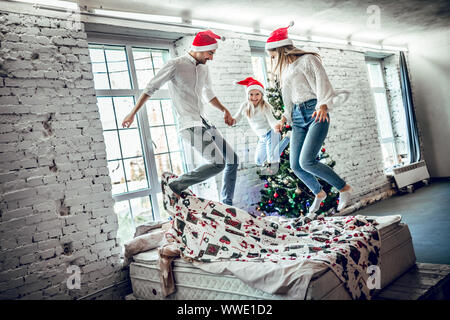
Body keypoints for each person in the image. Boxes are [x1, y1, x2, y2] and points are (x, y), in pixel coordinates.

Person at [122, 30, 239, 206]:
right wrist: (132, 113)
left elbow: (209, 94)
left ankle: (227, 203)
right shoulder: (175, 65)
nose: (211, 58)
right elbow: (150, 88)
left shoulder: (204, 69)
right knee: (218, 163)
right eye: (210, 53)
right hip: (189, 123)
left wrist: (224, 110)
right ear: (200, 48)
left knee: (233, 159)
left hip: (204, 121)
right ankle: (175, 185)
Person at [265, 22, 352, 216]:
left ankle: (344, 188)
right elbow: (288, 99)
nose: (272, 60)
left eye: (272, 56)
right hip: (297, 116)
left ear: (280, 50)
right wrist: (283, 118)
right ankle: (318, 193)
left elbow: (322, 81)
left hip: (315, 111)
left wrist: (323, 105)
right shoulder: (285, 71)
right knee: (296, 165)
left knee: (307, 161)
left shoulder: (307, 60)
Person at [232, 77, 290, 169]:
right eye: (251, 94)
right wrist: (232, 121)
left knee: (272, 159)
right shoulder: (245, 106)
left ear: (261, 94)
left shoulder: (264, 106)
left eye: (257, 94)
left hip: (271, 133)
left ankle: (288, 137)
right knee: (259, 161)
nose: (254, 97)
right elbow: (237, 118)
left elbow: (271, 120)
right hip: (262, 137)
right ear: (247, 95)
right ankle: (284, 140)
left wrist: (276, 126)